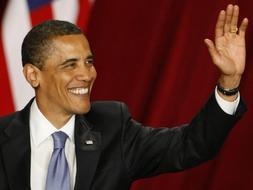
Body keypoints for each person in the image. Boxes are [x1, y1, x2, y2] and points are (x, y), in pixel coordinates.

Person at [0, 4, 248, 190]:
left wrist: (230, 82)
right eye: (70, 65)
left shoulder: (113, 128)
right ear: (33, 75)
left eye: (88, 62)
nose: (87, 75)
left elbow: (191, 145)